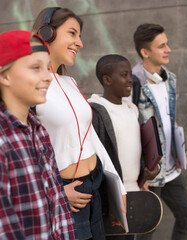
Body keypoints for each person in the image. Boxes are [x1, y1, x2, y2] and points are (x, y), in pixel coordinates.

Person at [32, 7, 126, 240]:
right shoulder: (29, 85)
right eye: (72, 33)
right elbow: (18, 152)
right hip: (66, 197)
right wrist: (55, 193)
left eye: (80, 36)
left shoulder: (69, 82)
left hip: (94, 190)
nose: (80, 43)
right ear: (46, 33)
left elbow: (91, 138)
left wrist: (118, 189)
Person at [0, 30, 77, 239]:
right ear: (5, 75)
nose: (47, 77)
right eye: (36, 68)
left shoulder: (38, 130)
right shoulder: (3, 140)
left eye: (46, 67)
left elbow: (59, 206)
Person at [131, 23, 187, 240]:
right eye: (162, 46)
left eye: (167, 44)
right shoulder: (131, 83)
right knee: (147, 231)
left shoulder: (169, 78)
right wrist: (141, 173)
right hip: (151, 171)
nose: (168, 49)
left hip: (172, 168)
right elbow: (130, 132)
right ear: (145, 52)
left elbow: (170, 119)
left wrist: (179, 149)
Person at [88, 54, 158, 240]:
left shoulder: (132, 109)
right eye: (124, 75)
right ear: (107, 79)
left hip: (134, 194)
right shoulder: (95, 111)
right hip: (112, 200)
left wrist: (148, 170)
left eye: (130, 75)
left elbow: (139, 151)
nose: (130, 80)